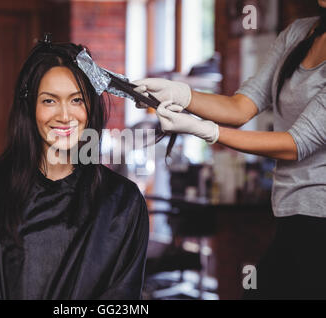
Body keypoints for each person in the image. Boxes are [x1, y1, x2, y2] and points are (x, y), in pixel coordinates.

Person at [134, 1, 325, 299]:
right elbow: (240, 107)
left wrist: (208, 131)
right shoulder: (299, 33)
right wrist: (179, 93)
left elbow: (295, 143)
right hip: (290, 213)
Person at [0, 40, 149, 300]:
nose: (65, 115)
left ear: (90, 107)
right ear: (30, 108)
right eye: (49, 101)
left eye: (76, 100)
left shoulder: (122, 202)